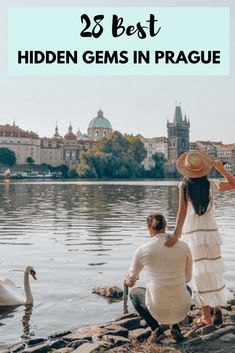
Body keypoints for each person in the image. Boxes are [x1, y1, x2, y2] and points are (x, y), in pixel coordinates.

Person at [165, 151, 235, 325]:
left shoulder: (184, 186)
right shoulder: (211, 184)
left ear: (187, 170)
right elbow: (234, 184)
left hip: (194, 231)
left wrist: (176, 234)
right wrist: (220, 169)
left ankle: (207, 317)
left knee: (199, 271)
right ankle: (217, 309)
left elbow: (182, 212)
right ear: (203, 169)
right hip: (211, 231)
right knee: (212, 268)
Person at [125, 212, 192, 343]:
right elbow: (187, 278)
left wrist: (127, 281)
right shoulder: (183, 246)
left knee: (134, 294)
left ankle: (156, 330)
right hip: (181, 308)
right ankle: (175, 327)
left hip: (158, 309)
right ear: (166, 225)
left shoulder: (142, 250)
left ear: (149, 229)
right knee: (187, 288)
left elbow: (131, 281)